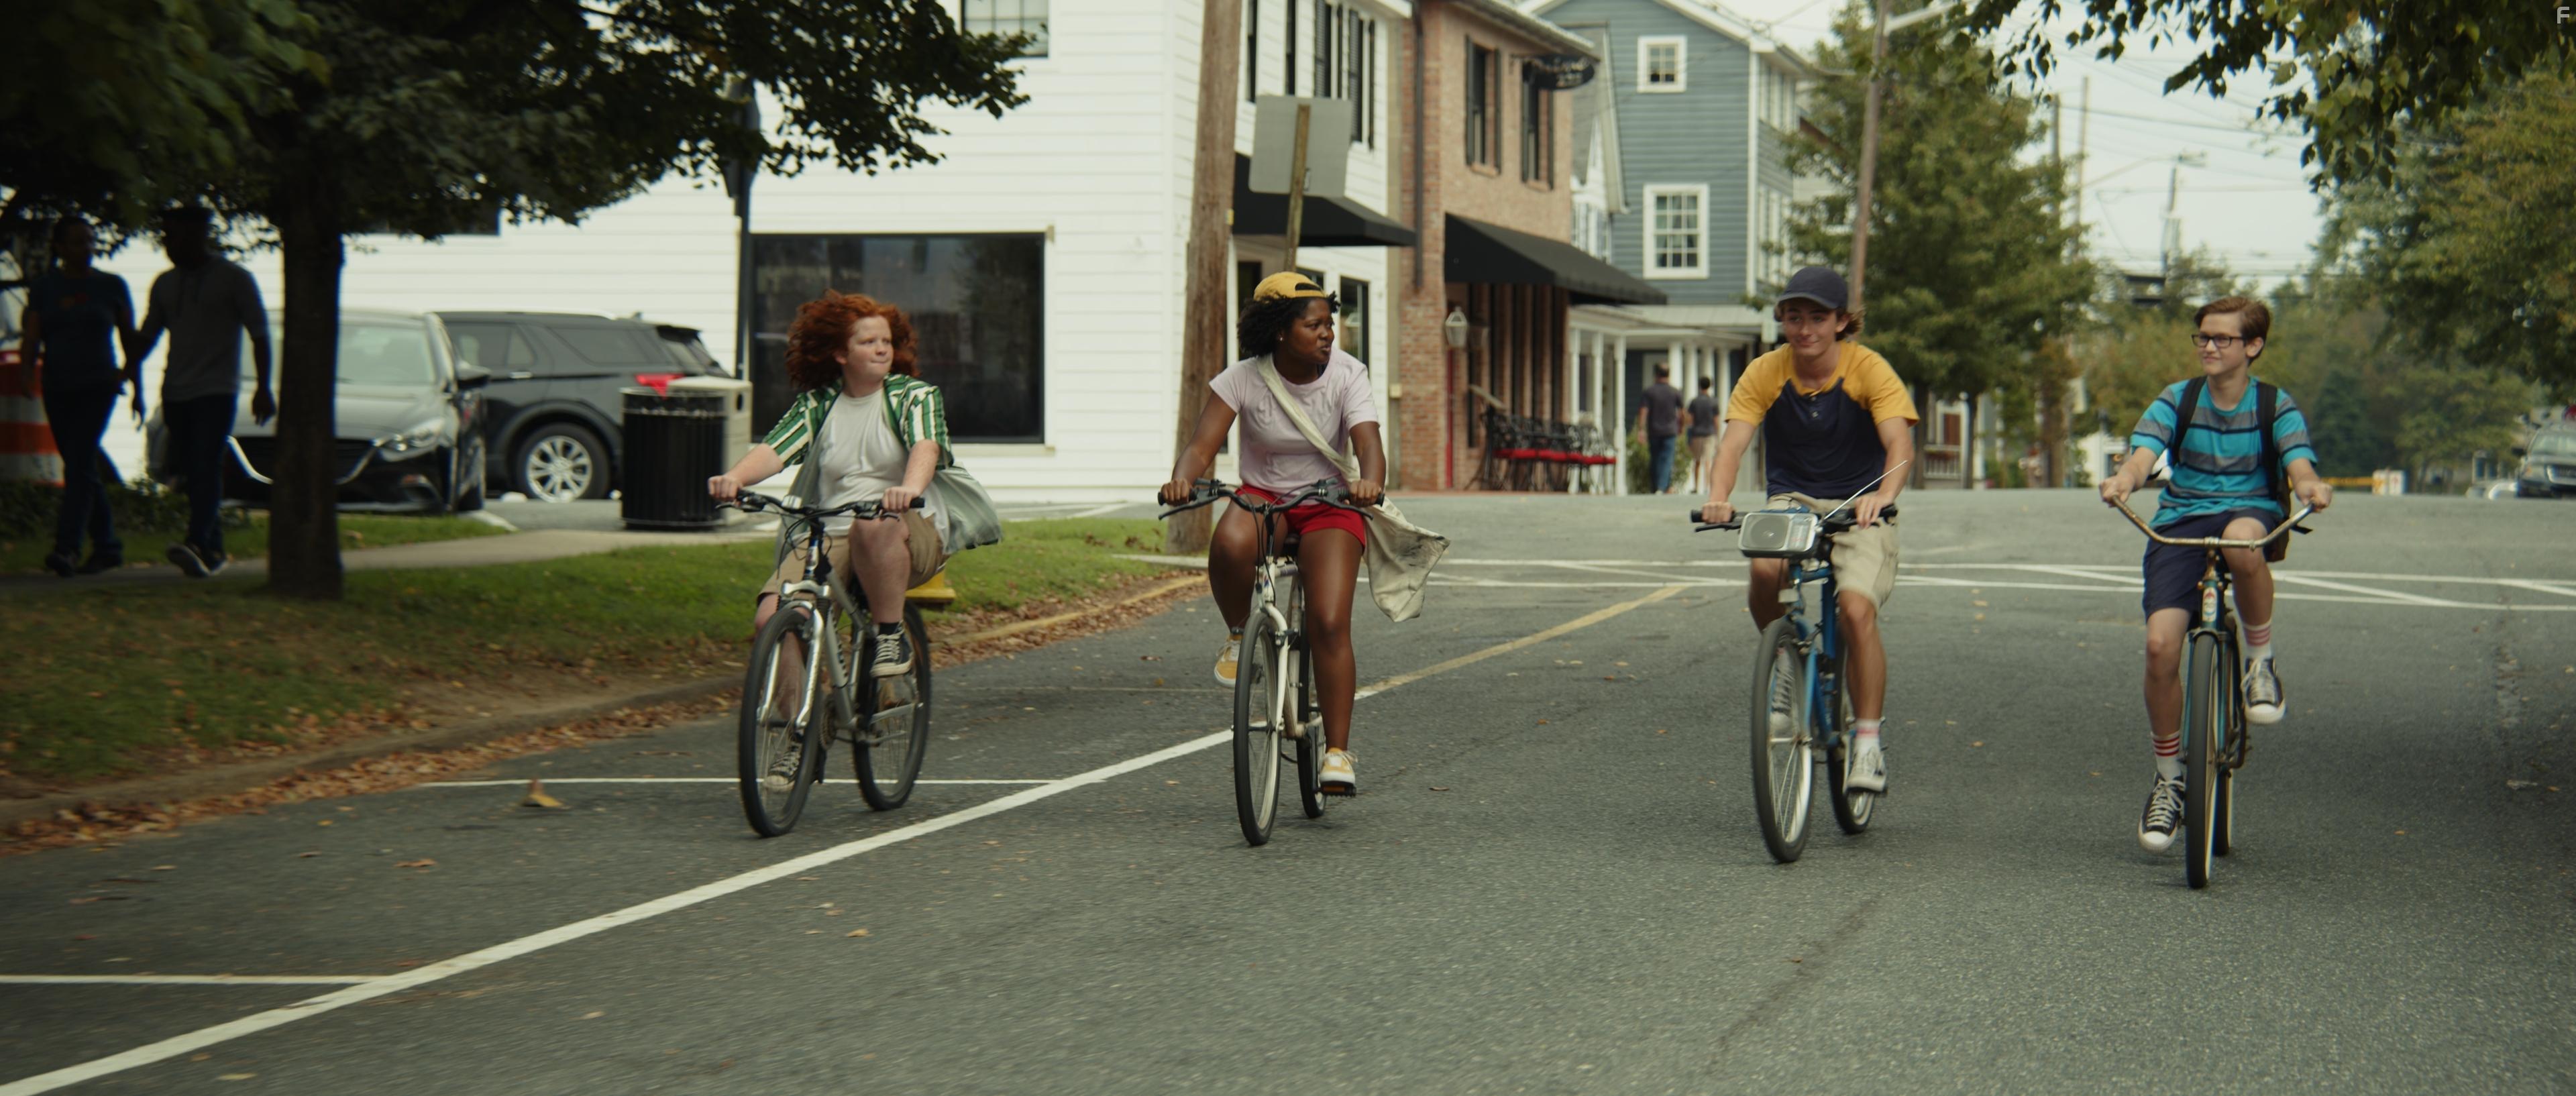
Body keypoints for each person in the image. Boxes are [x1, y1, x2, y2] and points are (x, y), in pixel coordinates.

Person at [2098, 295, 2330, 854]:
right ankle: (2169, 779)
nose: (2208, 346)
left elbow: (2298, 464)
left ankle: (2259, 663)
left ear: (2253, 347)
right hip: (2181, 520)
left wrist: (2310, 487)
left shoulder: (2275, 404)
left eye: (2222, 339)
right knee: (2159, 648)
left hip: (2250, 513)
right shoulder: (2179, 399)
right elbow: (2142, 454)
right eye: (2203, 336)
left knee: (2242, 543)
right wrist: (2124, 480)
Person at [1161, 272, 1386, 795]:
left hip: (1331, 501)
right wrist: (1182, 478)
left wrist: (1369, 479)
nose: (1328, 333)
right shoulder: (1242, 378)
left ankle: (1336, 752)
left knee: (1330, 621)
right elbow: (1202, 445)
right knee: (1231, 542)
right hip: (1265, 497)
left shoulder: (1349, 375)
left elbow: (1367, 441)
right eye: (1315, 325)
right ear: (1281, 333)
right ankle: (1240, 633)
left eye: (1330, 324)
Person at [1696, 266, 1917, 793]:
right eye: (1794, 318)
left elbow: (1899, 446)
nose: (1805, 329)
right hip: (1792, 499)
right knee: (1763, 569)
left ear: (1842, 322)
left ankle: (1867, 743)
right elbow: (1732, 444)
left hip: (1862, 502)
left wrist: (1882, 498)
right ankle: (1786, 670)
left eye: (1818, 318)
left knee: (1856, 609)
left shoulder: (1870, 370)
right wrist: (1718, 498)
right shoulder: (1766, 372)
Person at [709, 290, 950, 679]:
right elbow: (775, 449)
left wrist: (908, 489)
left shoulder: (913, 396)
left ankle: (890, 634)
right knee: (772, 619)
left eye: (886, 341)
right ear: (841, 354)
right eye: (868, 342)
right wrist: (735, 479)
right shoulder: (819, 405)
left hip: (901, 527)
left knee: (873, 525)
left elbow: (926, 445)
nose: (881, 350)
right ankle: (797, 728)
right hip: (831, 531)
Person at [127, 206, 272, 578]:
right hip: (176, 390)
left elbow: (259, 333)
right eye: (165, 237)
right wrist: (126, 373)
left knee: (206, 464)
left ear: (197, 236)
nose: (168, 245)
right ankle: (213, 550)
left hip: (216, 389)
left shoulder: (234, 279)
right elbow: (148, 334)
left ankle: (195, 541)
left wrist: (263, 387)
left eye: (173, 236)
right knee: (192, 470)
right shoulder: (165, 283)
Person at [20, 217, 137, 577]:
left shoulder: (112, 285)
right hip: (58, 387)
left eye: (89, 241)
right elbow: (32, 335)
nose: (84, 249)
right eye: (75, 242)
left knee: (81, 462)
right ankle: (107, 547)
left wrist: (136, 386)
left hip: (98, 387)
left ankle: (67, 548)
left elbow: (128, 339)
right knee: (82, 466)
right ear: (58, 247)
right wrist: (28, 375)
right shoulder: (45, 288)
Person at [1635, 364, 1686, 494]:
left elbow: (1643, 411)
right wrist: (1681, 427)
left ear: (1656, 374)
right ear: (1668, 375)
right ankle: (1661, 487)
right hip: (1670, 431)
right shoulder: (1675, 392)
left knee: (1656, 458)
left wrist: (1641, 429)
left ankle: (1659, 487)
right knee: (1667, 459)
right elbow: (1682, 413)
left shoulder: (1649, 391)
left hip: (1654, 431)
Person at [1685, 374, 1721, 494]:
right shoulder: (1713, 402)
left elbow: (1690, 420)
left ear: (1699, 386)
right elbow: (1716, 421)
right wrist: (1718, 436)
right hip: (1709, 434)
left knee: (1697, 461)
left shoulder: (1694, 402)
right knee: (1708, 462)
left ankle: (1696, 487)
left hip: (1697, 434)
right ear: (1710, 386)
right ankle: (1707, 487)